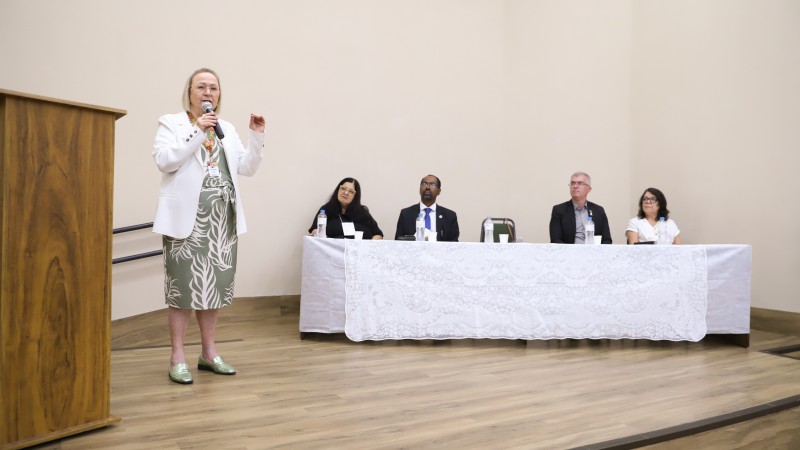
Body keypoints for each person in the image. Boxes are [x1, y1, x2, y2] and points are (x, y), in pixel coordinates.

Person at [152, 68, 266, 384]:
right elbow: (165, 160)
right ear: (189, 92)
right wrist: (198, 131)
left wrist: (257, 137)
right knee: (183, 289)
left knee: (213, 289)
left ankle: (209, 353)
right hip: (186, 222)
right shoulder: (172, 123)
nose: (207, 93)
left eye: (213, 88)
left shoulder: (226, 128)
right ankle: (177, 357)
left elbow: (246, 168)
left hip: (221, 222)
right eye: (201, 86)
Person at [308, 177, 384, 239]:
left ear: (355, 196)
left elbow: (378, 234)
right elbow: (315, 230)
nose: (346, 193)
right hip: (331, 254)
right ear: (338, 190)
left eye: (351, 191)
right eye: (343, 188)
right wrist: (316, 235)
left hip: (358, 254)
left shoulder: (362, 212)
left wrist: (369, 247)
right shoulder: (326, 209)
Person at [549, 171, 612, 244]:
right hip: (569, 253)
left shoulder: (599, 210)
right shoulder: (559, 210)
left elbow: (607, 240)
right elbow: (555, 240)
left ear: (589, 189)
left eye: (580, 183)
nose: (575, 186)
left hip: (594, 253)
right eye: (572, 183)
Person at [394, 174, 460, 241]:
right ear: (419, 189)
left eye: (432, 185)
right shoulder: (406, 214)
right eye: (424, 184)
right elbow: (398, 242)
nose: (427, 187)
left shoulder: (449, 216)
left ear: (439, 191)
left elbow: (454, 245)